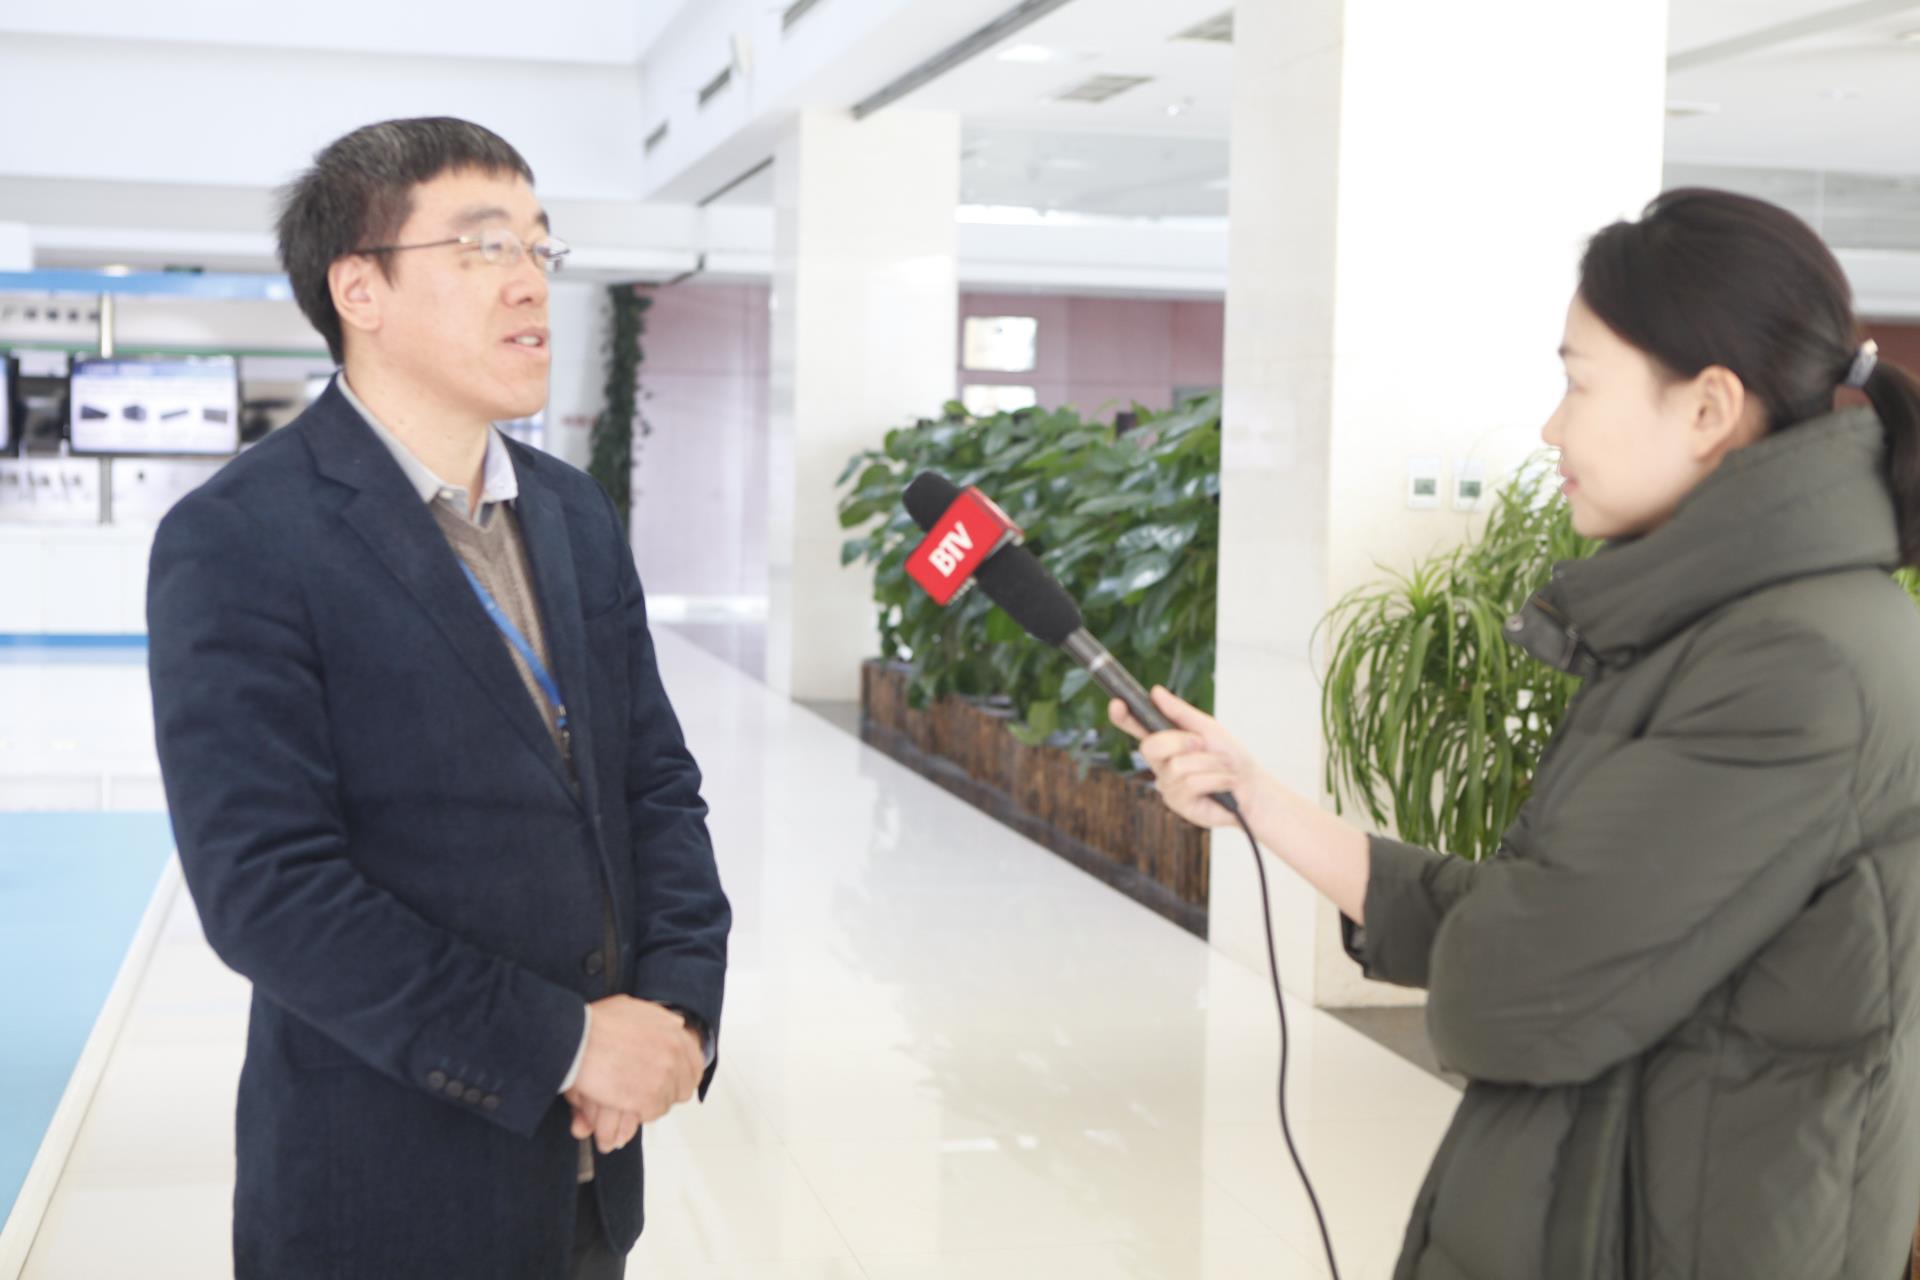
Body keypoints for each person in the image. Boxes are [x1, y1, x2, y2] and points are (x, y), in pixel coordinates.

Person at [1114, 189, 1920, 1279]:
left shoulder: (1788, 665)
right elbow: (1548, 922)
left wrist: (1503, 934)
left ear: (1708, 408)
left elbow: (1516, 987)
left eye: (1579, 382)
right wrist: (1256, 798)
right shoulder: (1730, 629)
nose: (1552, 427)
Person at [147, 117, 731, 1280]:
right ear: (359, 288)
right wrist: (566, 1044)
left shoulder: (571, 513)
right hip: (382, 1189)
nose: (531, 281)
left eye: (540, 246)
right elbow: (269, 890)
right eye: (482, 246)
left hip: (587, 1180)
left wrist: (676, 1010)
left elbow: (654, 782)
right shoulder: (241, 536)